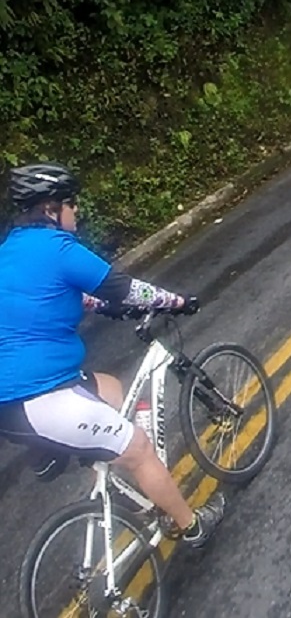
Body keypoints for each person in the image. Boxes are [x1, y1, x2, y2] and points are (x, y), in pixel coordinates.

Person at [0, 164, 225, 547]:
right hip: (42, 398)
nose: (77, 212)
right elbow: (123, 288)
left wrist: (106, 307)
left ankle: (121, 489)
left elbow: (58, 297)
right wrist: (177, 301)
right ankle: (191, 527)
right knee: (139, 448)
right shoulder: (59, 249)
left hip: (15, 400)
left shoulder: (10, 252)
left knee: (109, 388)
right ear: (51, 209)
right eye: (71, 204)